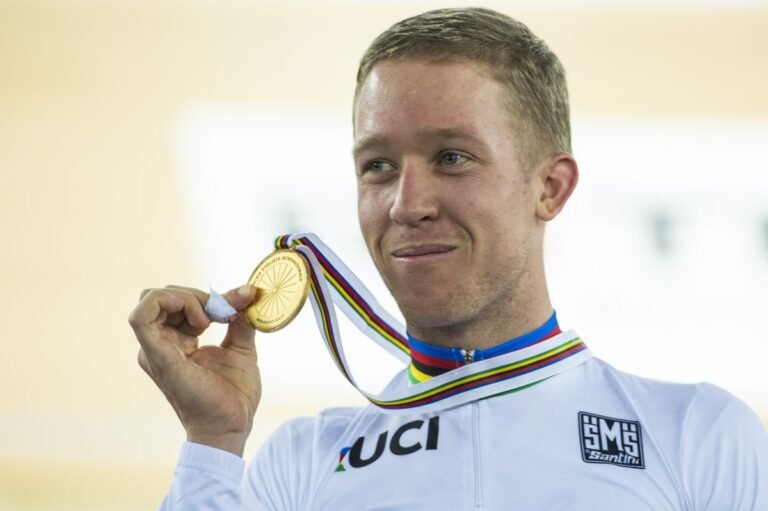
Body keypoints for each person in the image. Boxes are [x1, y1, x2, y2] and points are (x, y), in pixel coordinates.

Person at [128, 7, 768, 510]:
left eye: (452, 158)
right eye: (378, 166)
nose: (406, 205)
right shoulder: (303, 463)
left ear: (550, 188)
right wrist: (214, 442)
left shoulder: (698, 435)